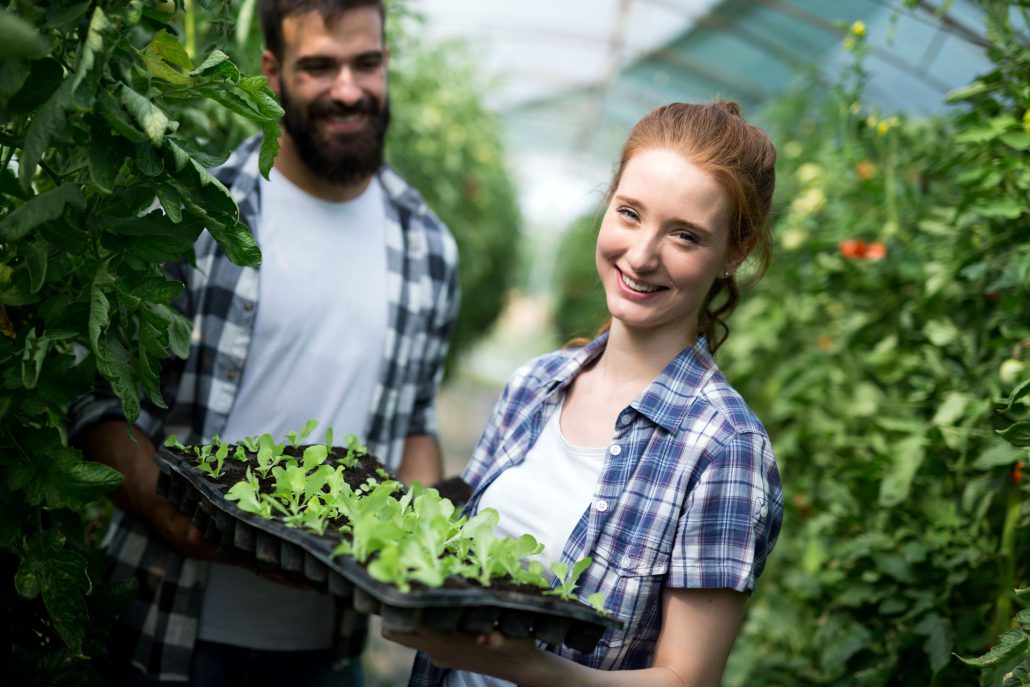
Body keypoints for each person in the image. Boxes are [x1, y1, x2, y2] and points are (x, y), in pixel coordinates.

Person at [71, 1, 459, 685]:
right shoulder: (195, 212)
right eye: (319, 67)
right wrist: (170, 510)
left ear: (386, 63)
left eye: (366, 63)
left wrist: (422, 541)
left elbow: (416, 422)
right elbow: (97, 403)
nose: (348, 89)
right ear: (273, 73)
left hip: (329, 646)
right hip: (166, 629)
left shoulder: (427, 247)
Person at [388, 101, 783, 687]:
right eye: (630, 213)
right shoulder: (533, 386)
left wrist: (529, 668)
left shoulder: (723, 447)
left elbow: (686, 679)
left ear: (734, 254)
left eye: (685, 235)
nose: (643, 255)